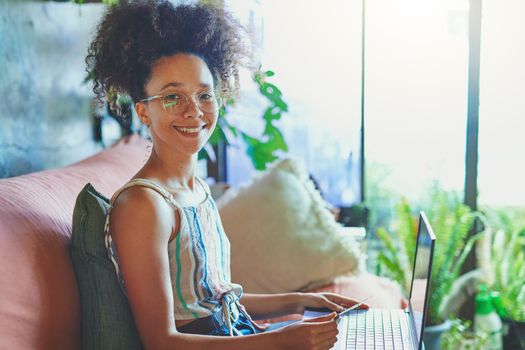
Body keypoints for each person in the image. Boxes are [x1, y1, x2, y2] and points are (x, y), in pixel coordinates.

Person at [86, 1, 367, 349]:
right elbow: (162, 342)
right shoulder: (143, 205)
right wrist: (280, 342)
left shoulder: (197, 190)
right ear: (143, 111)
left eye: (205, 94)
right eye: (172, 97)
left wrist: (298, 302)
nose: (194, 110)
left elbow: (215, 303)